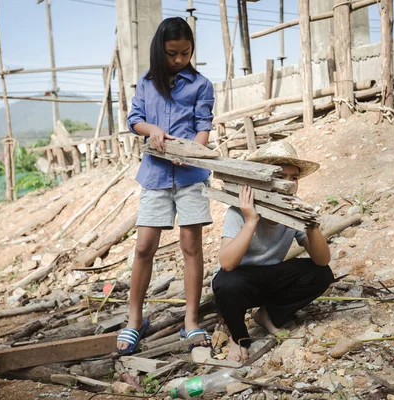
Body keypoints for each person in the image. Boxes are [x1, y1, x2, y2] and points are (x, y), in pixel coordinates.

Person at [116, 17, 215, 355]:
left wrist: (192, 152)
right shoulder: (146, 84)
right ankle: (134, 320)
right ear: (160, 50)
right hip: (155, 176)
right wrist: (153, 130)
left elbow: (203, 127)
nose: (179, 60)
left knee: (191, 246)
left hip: (191, 177)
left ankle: (191, 320)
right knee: (144, 246)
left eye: (185, 53)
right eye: (172, 53)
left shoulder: (201, 85)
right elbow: (134, 120)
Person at [212, 141, 334, 363]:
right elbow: (227, 264)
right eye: (280, 176)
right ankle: (238, 337)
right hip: (239, 283)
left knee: (321, 273)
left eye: (293, 178)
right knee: (226, 283)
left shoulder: (293, 212)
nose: (288, 184)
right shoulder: (238, 211)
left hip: (272, 279)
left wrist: (311, 224)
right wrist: (251, 220)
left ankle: (267, 315)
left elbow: (322, 259)